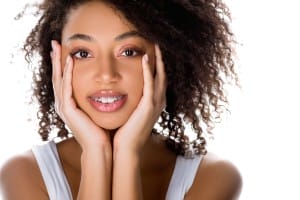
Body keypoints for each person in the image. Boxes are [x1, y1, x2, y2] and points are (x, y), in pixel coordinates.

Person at [0, 0, 242, 199]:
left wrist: (127, 153)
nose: (106, 74)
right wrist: (96, 153)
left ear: (166, 60)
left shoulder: (213, 177)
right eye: (83, 53)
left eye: (129, 52)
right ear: (57, 64)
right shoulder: (24, 174)